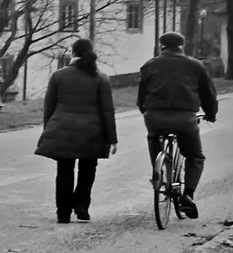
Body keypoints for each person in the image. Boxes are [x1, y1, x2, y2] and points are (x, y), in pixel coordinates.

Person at [137, 32, 220, 218]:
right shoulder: (195, 66)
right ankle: (188, 196)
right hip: (185, 118)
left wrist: (147, 112)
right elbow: (208, 95)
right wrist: (211, 114)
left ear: (162, 46)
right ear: (182, 46)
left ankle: (158, 173)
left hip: (155, 116)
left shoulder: (149, 66)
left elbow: (141, 97)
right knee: (195, 157)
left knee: (153, 137)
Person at [35, 38, 118, 223]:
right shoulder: (101, 78)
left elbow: (49, 107)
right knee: (88, 168)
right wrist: (112, 139)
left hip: (62, 129)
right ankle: (81, 206)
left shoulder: (58, 76)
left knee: (64, 169)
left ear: (73, 53)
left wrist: (49, 129)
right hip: (92, 131)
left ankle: (63, 212)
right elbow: (107, 111)